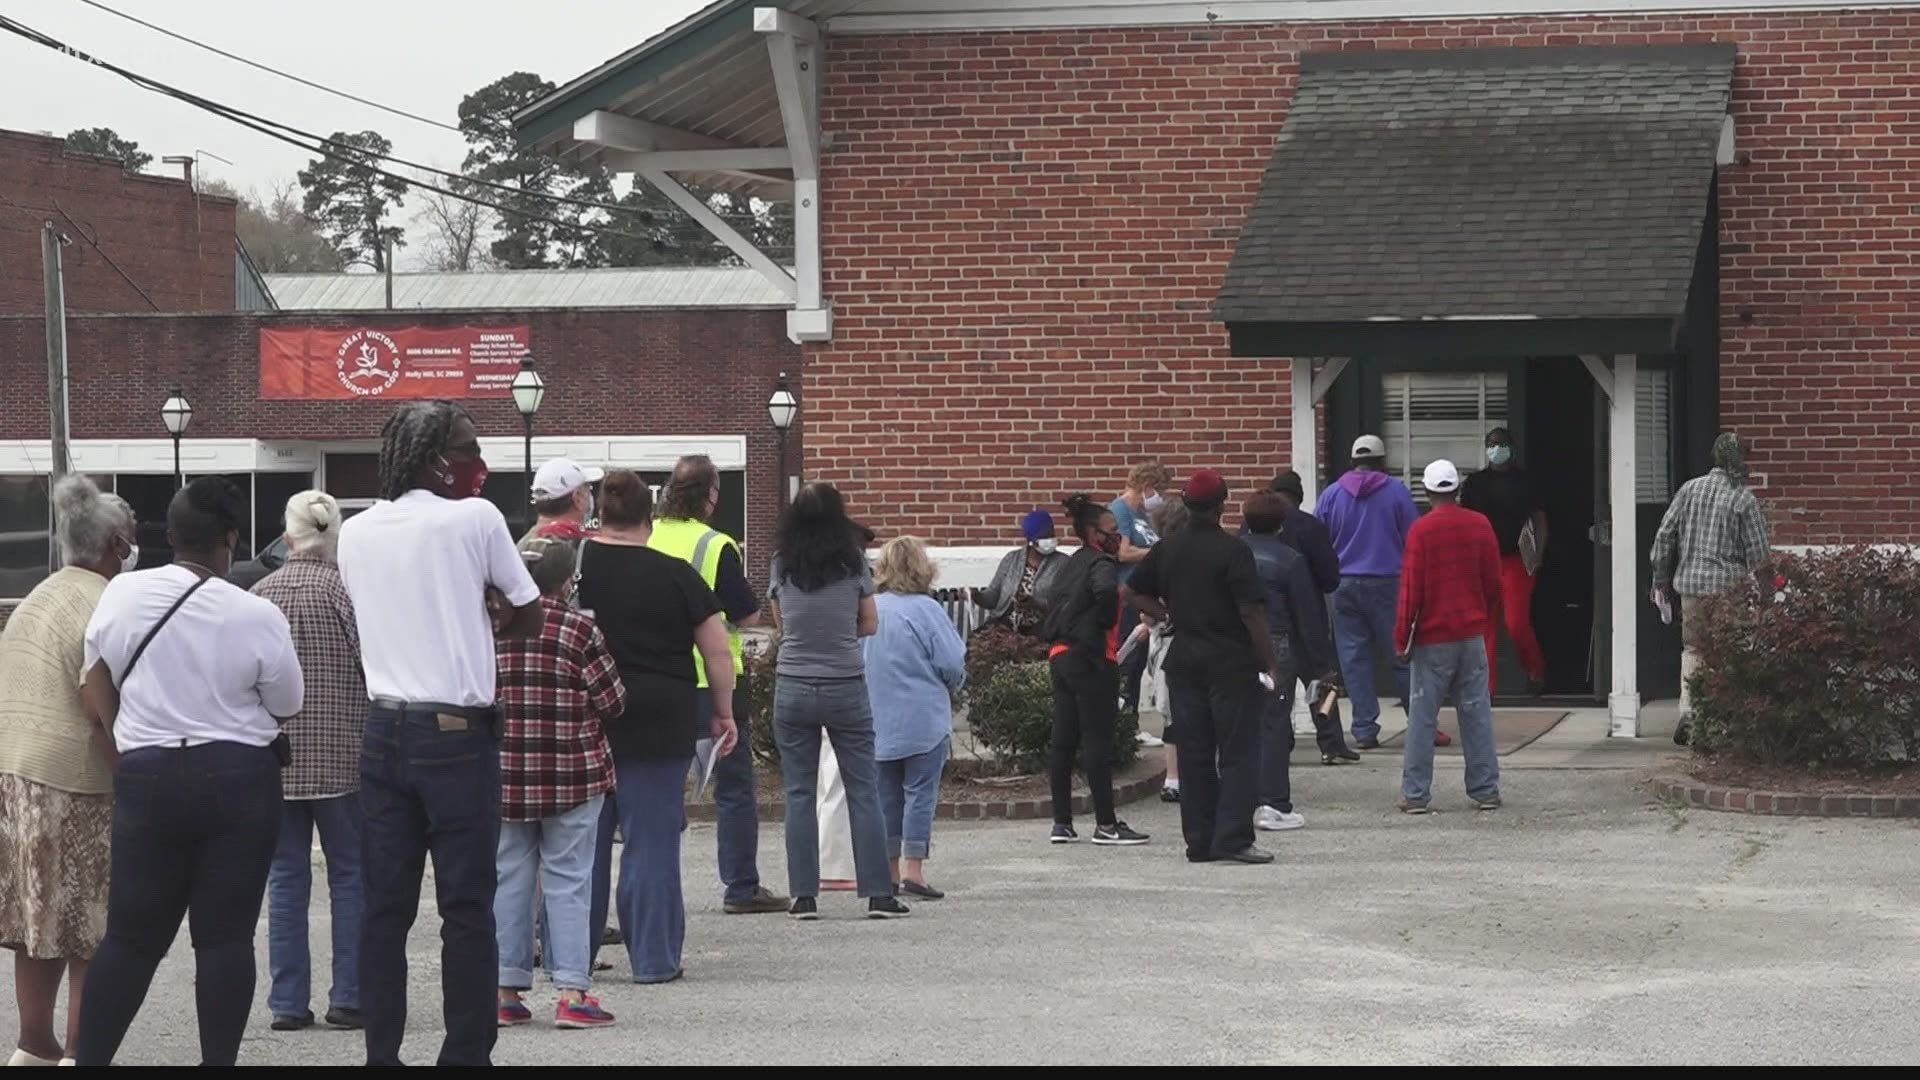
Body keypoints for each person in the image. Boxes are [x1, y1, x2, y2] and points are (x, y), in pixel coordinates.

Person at [336, 401, 544, 1068]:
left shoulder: (357, 531)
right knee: (466, 907)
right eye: (467, 446)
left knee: (384, 909)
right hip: (457, 735)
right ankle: (463, 1056)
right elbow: (532, 612)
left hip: (383, 730)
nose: (477, 458)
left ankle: (382, 1055)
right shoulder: (475, 518)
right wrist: (487, 624)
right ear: (435, 459)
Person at [72, 478, 304, 1066]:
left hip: (148, 774)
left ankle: (92, 1060)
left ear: (168, 535)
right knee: (224, 938)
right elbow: (288, 703)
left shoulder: (121, 596)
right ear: (231, 537)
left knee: (129, 938)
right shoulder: (256, 612)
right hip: (238, 776)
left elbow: (97, 672)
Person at [576, 472, 738, 980]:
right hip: (661, 718)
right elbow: (716, 650)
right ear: (649, 517)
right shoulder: (675, 574)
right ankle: (654, 959)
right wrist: (723, 711)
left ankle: (571, 957)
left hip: (583, 719)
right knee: (651, 844)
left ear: (598, 515)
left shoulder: (574, 569)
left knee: (580, 846)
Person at [0, 477, 135, 1067]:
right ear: (118, 545)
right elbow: (98, 709)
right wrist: (132, 779)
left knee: (38, 919)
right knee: (90, 927)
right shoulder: (101, 605)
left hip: (16, 773)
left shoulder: (38, 596)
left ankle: (35, 1043)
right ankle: (83, 1050)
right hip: (76, 783)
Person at [494, 537, 626, 1028]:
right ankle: (572, 993)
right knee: (569, 880)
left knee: (509, 877)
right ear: (567, 581)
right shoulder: (579, 627)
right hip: (572, 771)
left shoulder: (491, 627)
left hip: (507, 773)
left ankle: (504, 989)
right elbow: (612, 701)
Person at [768, 482, 913, 919]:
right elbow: (869, 622)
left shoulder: (781, 563)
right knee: (863, 789)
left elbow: (782, 626)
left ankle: (803, 896)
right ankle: (878, 894)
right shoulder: (853, 561)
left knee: (798, 792)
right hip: (845, 682)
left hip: (792, 683)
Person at [648, 454, 785, 915]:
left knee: (652, 787)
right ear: (710, 497)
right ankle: (740, 885)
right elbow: (747, 613)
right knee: (733, 788)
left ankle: (651, 888)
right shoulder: (716, 544)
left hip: (652, 678)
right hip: (712, 681)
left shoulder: (645, 536)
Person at [250, 491, 366, 1033]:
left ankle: (288, 1001)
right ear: (333, 533)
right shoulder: (349, 592)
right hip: (344, 755)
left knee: (285, 879)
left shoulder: (260, 596)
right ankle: (350, 995)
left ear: (288, 533)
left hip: (277, 760)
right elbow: (372, 671)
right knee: (350, 875)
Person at [1124, 470, 1281, 865]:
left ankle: (1199, 841)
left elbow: (1132, 591)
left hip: (1185, 662)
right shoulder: (1233, 551)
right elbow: (1251, 613)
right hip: (1230, 664)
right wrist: (1270, 662)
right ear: (1222, 505)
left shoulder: (1168, 549)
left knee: (1194, 755)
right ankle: (1232, 838)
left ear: (1186, 504)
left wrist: (1166, 614)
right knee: (1237, 754)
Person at [1317, 435, 1448, 750]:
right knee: (1402, 655)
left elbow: (1317, 539)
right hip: (1388, 582)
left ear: (1352, 461)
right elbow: (1414, 538)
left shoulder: (1332, 495)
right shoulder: (1396, 493)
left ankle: (1364, 730)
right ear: (1382, 461)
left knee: (1353, 659)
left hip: (1343, 585)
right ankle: (1422, 727)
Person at [1394, 460, 1505, 814]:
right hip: (1471, 634)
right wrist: (1482, 615)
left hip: (1432, 638)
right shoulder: (1480, 524)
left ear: (1426, 493)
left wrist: (1401, 638)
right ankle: (1485, 789)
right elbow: (1493, 582)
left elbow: (1410, 591)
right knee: (1477, 713)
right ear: (1457, 489)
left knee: (1423, 716)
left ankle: (1416, 794)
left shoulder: (1421, 532)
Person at [1650, 432, 1772, 746]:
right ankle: (1722, 720)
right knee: (1729, 653)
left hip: (1690, 587)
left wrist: (1660, 579)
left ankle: (1690, 713)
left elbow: (1664, 537)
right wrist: (1767, 599)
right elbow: (1759, 556)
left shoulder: (1689, 489)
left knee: (1694, 650)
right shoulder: (1743, 498)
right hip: (1728, 590)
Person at [1040, 495, 1149, 847]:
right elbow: (1105, 593)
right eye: (1112, 531)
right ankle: (1106, 823)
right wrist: (1104, 622)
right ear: (1092, 533)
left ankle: (1062, 823)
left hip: (1061, 656)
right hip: (1092, 658)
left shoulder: (1069, 565)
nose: (1117, 537)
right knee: (1097, 742)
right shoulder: (1102, 564)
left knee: (1063, 741)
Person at [865, 537, 967, 900]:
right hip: (923, 717)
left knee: (885, 797)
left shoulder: (869, 608)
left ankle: (889, 872)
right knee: (920, 794)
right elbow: (952, 663)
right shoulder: (927, 610)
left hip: (876, 717)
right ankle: (914, 870)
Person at [1242, 491, 1338, 833]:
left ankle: (1237, 797)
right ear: (1281, 524)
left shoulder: (1232, 553)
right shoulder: (1290, 560)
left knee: (1236, 721)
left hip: (1233, 643)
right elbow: (1307, 615)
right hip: (1278, 642)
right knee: (1274, 724)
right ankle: (1273, 803)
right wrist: (1321, 664)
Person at [1268, 470, 1358, 764]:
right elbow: (1330, 577)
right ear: (1300, 496)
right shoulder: (1310, 526)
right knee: (1322, 678)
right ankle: (1331, 744)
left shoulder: (1250, 526)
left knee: (1277, 688)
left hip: (1269, 620)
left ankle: (1279, 744)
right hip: (1307, 616)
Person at [1460, 427, 1549, 695]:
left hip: (1516, 561)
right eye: (1491, 444)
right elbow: (1464, 522)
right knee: (1485, 627)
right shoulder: (1474, 483)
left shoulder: (1525, 481)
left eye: (1501, 444)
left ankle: (1535, 670)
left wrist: (1538, 555)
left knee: (1516, 623)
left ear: (1511, 448)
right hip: (1483, 562)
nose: (1496, 449)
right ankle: (1487, 689)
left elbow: (1539, 519)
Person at [1109, 461, 1170, 719]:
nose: (1160, 498)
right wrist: (1158, 553)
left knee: (1139, 661)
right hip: (1127, 594)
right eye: (1158, 491)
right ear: (1146, 487)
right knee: (1129, 659)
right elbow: (1123, 552)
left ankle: (1132, 721)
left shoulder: (1143, 515)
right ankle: (1123, 719)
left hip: (1146, 596)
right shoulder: (1120, 510)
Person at [1144, 495, 1190, 800]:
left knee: (1172, 715)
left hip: (1166, 641)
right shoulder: (1199, 556)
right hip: (1196, 640)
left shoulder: (1155, 558)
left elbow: (1144, 608)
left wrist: (1159, 617)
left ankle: (1173, 779)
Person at [976, 509, 1069, 635]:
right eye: (1044, 536)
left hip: (1043, 628)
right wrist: (976, 596)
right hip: (1006, 625)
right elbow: (992, 597)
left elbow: (1064, 605)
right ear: (1031, 540)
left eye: (1051, 534)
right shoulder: (1011, 560)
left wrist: (1035, 603)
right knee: (975, 641)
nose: (1049, 539)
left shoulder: (1063, 563)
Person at [524, 457, 603, 544]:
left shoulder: (522, 545)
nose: (590, 495)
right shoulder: (580, 549)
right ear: (578, 498)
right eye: (588, 488)